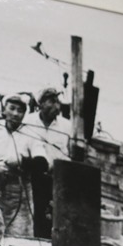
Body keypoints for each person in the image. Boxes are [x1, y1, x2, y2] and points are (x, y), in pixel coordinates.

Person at [0, 93, 48, 238]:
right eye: (12, 108)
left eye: (20, 110)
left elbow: (42, 164)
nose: (16, 114)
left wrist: (22, 162)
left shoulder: (32, 133)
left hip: (20, 195)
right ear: (4, 110)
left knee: (18, 235)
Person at [23, 86, 72, 237]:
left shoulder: (67, 126)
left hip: (57, 177)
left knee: (55, 215)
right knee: (35, 213)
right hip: (34, 176)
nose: (56, 106)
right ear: (41, 103)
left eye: (58, 102)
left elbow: (71, 153)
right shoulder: (28, 121)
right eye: (52, 101)